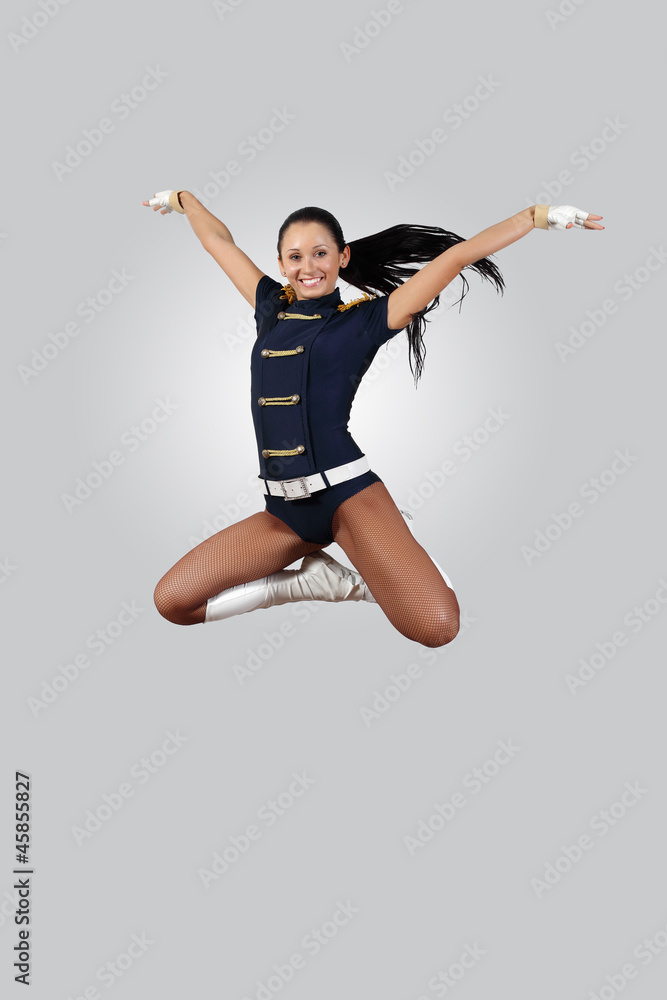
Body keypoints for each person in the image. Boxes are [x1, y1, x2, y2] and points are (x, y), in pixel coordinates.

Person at [145, 191, 603, 647]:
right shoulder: (271, 306)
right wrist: (184, 199)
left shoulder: (366, 319)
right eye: (296, 256)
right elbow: (218, 241)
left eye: (321, 253)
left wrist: (538, 216)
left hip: (348, 497)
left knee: (438, 626)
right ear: (282, 263)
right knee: (174, 603)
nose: (310, 266)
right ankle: (313, 583)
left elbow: (459, 255)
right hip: (284, 512)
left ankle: (391, 542)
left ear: (342, 257)